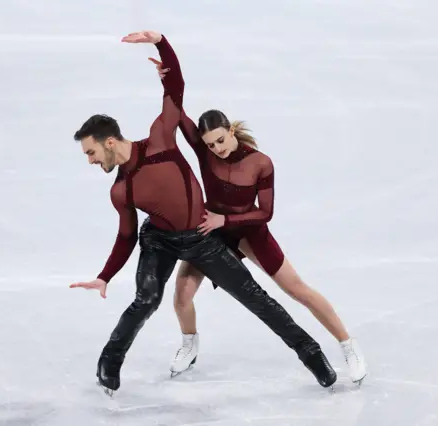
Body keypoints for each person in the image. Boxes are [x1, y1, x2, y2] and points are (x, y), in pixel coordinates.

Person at [69, 30, 337, 395]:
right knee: (146, 300)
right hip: (158, 239)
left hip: (201, 237)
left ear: (109, 142)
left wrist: (161, 41)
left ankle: (313, 355)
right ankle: (108, 365)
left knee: (257, 299)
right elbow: (127, 235)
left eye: (90, 152)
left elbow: (175, 90)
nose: (90, 160)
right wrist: (104, 276)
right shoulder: (121, 189)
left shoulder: (161, 138)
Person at [148, 58, 367, 384]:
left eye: (220, 140)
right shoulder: (205, 150)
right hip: (214, 230)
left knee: (298, 291)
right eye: (209, 145)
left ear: (232, 130)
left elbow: (265, 212)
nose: (216, 149)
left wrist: (225, 219)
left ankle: (347, 345)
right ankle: (189, 344)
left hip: (249, 231)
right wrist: (168, 76)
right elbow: (177, 111)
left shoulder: (260, 163)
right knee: (181, 295)